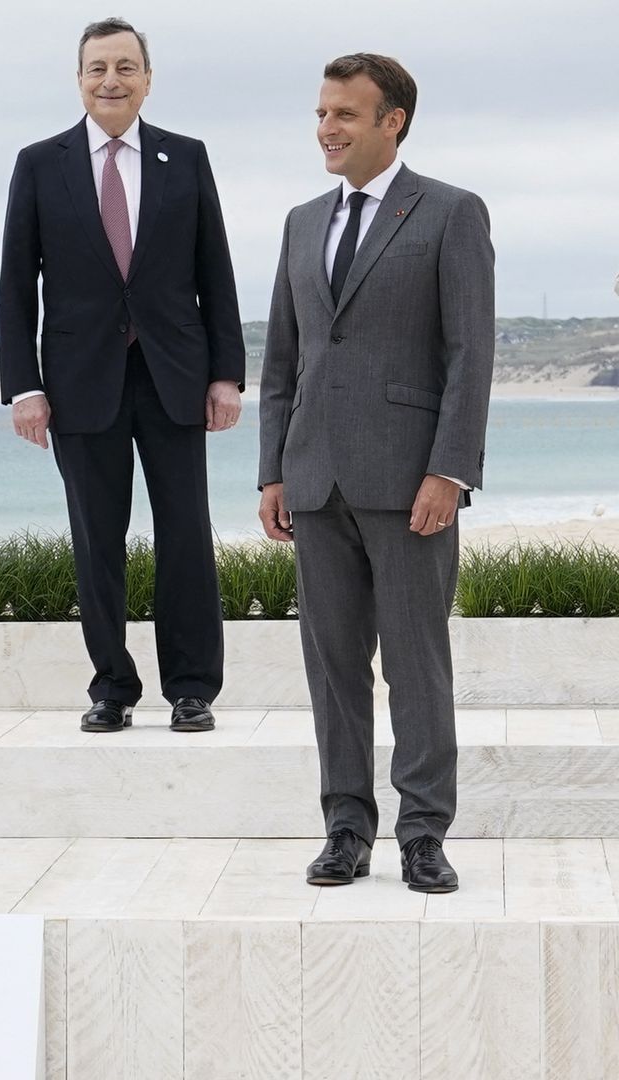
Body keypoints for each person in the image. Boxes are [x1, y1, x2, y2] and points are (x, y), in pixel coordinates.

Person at [258, 53, 492, 894]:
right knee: (332, 667)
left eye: (345, 115)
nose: (327, 129)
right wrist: (272, 473)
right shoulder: (299, 221)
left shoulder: (452, 214)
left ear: (393, 120)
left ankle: (423, 833)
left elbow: (471, 356)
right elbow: (282, 363)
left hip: (409, 483)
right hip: (313, 480)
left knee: (417, 666)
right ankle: (345, 828)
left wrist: (450, 472)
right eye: (322, 114)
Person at [0, 18, 245, 735]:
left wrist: (226, 373)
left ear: (147, 78)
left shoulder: (186, 158)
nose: (112, 79)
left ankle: (192, 687)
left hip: (174, 375)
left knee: (186, 536)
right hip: (79, 381)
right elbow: (17, 285)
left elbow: (214, 272)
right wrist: (25, 385)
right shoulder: (40, 164)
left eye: (126, 67)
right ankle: (112, 686)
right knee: (96, 541)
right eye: (99, 67)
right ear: (79, 79)